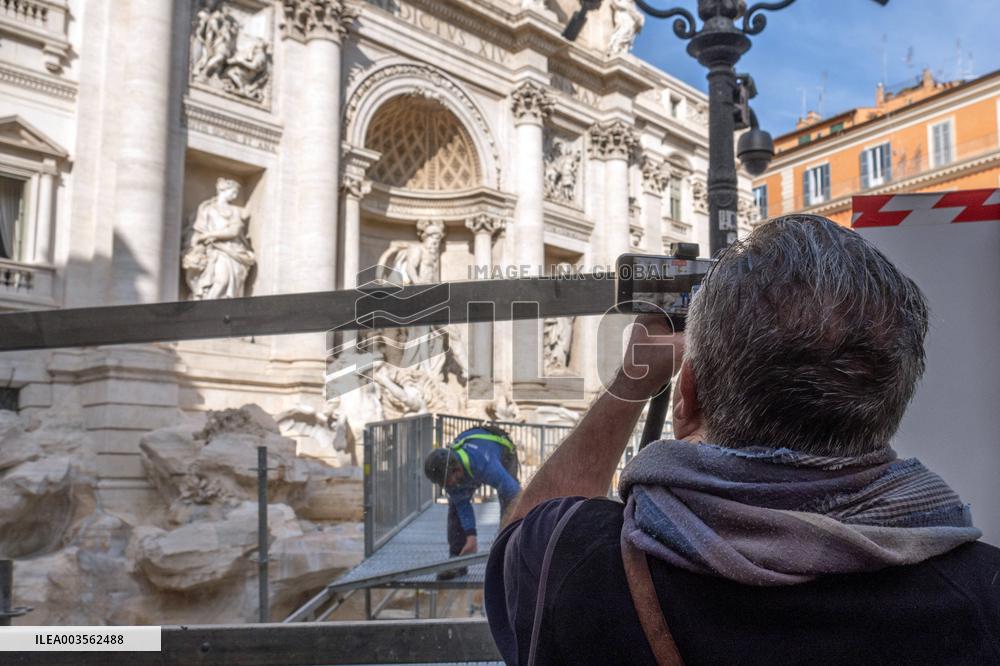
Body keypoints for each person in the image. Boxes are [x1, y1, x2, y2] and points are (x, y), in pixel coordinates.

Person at [485, 215, 1000, 664]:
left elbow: (523, 536)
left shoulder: (577, 563)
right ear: (893, 399)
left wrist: (632, 380)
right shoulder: (983, 595)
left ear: (687, 395)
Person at [424, 424, 521, 580]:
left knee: (510, 503)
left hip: (502, 453)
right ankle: (457, 561)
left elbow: (516, 494)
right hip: (475, 454)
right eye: (444, 484)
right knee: (455, 507)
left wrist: (505, 529)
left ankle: (509, 559)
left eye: (448, 482)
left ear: (456, 470)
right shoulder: (450, 477)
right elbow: (463, 507)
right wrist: (471, 537)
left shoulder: (485, 464)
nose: (448, 487)